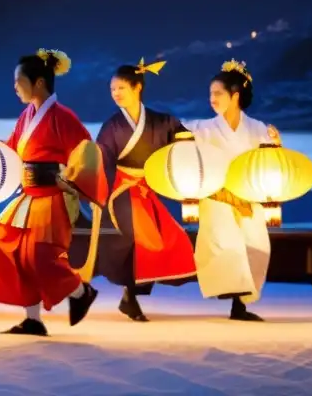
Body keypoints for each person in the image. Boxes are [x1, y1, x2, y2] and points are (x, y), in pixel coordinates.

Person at [0, 49, 108, 336]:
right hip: (29, 194)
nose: (14, 87)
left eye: (18, 80)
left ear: (37, 83)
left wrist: (71, 180)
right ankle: (32, 318)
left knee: (39, 255)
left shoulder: (63, 117)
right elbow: (13, 149)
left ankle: (79, 292)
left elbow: (86, 151)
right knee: (6, 244)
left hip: (52, 196)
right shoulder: (27, 115)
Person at [81, 59, 197, 322]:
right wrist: (97, 192)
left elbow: (182, 140)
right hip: (120, 190)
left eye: (121, 87)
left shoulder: (161, 120)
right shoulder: (112, 126)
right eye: (112, 90)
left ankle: (130, 296)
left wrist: (185, 139)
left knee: (169, 239)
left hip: (145, 189)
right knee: (138, 239)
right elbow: (102, 160)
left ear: (137, 87)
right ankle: (130, 297)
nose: (116, 94)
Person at [183, 59, 278, 321]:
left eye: (218, 94)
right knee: (227, 247)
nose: (211, 98)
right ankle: (234, 298)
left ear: (235, 96)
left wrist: (276, 147)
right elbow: (176, 142)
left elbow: (269, 164)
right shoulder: (200, 128)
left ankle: (241, 302)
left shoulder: (259, 129)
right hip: (218, 198)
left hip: (248, 198)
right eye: (210, 94)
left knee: (256, 248)